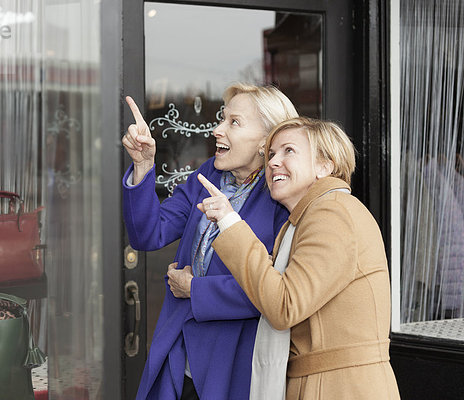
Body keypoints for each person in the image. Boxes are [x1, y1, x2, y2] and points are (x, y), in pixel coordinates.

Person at [197, 117, 401, 399]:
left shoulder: (331, 213)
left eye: (288, 151)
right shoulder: (309, 217)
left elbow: (284, 305)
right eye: (270, 154)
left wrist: (230, 223)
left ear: (324, 165)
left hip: (338, 388)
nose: (272, 162)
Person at [122, 83, 298, 399]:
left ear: (265, 141)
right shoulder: (210, 175)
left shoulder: (281, 197)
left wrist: (196, 290)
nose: (217, 130)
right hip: (179, 351)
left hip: (232, 363)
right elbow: (149, 233)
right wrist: (143, 165)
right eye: (222, 118)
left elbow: (278, 292)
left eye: (234, 122)